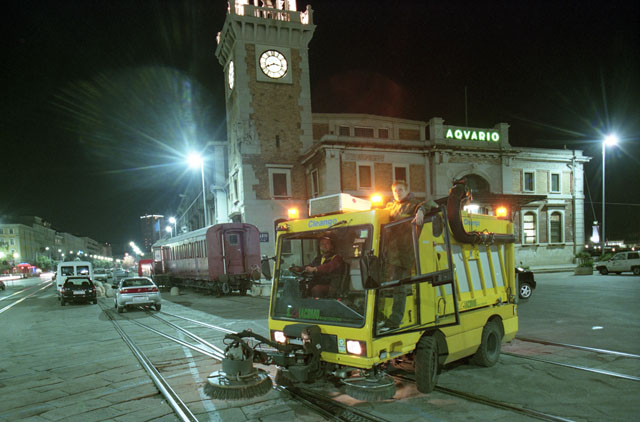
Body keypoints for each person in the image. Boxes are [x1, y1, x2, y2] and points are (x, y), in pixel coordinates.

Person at [379, 180, 438, 329]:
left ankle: (395, 321)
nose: (397, 193)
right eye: (395, 190)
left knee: (399, 287)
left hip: (404, 253)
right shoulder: (391, 206)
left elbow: (430, 203)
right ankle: (380, 317)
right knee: (382, 286)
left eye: (400, 190)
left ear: (407, 190)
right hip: (390, 254)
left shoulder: (414, 204)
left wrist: (421, 211)